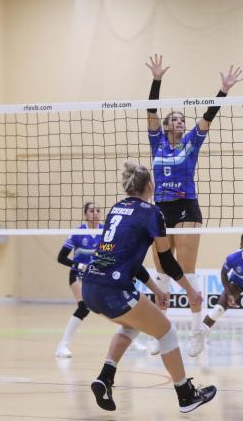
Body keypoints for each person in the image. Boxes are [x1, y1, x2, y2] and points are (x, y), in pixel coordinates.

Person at [82, 161, 216, 413]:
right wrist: (190, 291)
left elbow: (128, 260)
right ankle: (186, 396)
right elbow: (166, 259)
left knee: (131, 324)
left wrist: (156, 290)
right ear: (151, 185)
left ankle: (105, 378)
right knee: (166, 332)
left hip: (89, 285)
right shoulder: (152, 213)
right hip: (112, 288)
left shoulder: (116, 208)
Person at [144, 54, 243, 356]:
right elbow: (150, 109)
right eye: (174, 119)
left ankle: (197, 331)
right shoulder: (157, 141)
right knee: (161, 274)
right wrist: (157, 79)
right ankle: (159, 333)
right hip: (160, 208)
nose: (180, 121)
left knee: (186, 270)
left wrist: (223, 90)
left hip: (186, 207)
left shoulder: (191, 141)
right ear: (165, 125)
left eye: (182, 120)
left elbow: (209, 116)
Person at [55, 202, 104, 358]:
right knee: (83, 307)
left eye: (98, 210)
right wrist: (79, 265)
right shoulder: (78, 232)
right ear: (85, 214)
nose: (95, 213)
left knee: (113, 305)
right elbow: (61, 258)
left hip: (97, 275)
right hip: (78, 275)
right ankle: (62, 346)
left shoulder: (106, 231)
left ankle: (131, 341)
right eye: (91, 210)